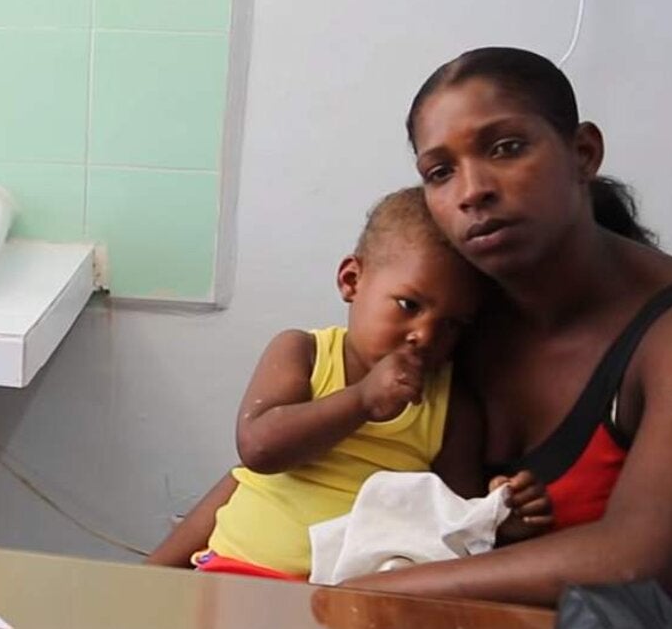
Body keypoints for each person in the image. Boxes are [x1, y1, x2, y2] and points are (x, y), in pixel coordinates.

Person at [342, 46, 672, 619]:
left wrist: (369, 592)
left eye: (506, 147)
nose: (473, 190)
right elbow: (311, 446)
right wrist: (180, 569)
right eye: (440, 172)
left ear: (583, 153)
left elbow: (644, 562)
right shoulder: (452, 320)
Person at [147, 187, 552, 578]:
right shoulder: (303, 352)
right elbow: (258, 449)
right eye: (409, 305)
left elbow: (450, 523)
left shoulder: (451, 406)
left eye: (452, 325)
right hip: (239, 572)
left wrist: (497, 515)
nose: (425, 336)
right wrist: (362, 401)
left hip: (353, 597)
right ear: (351, 280)